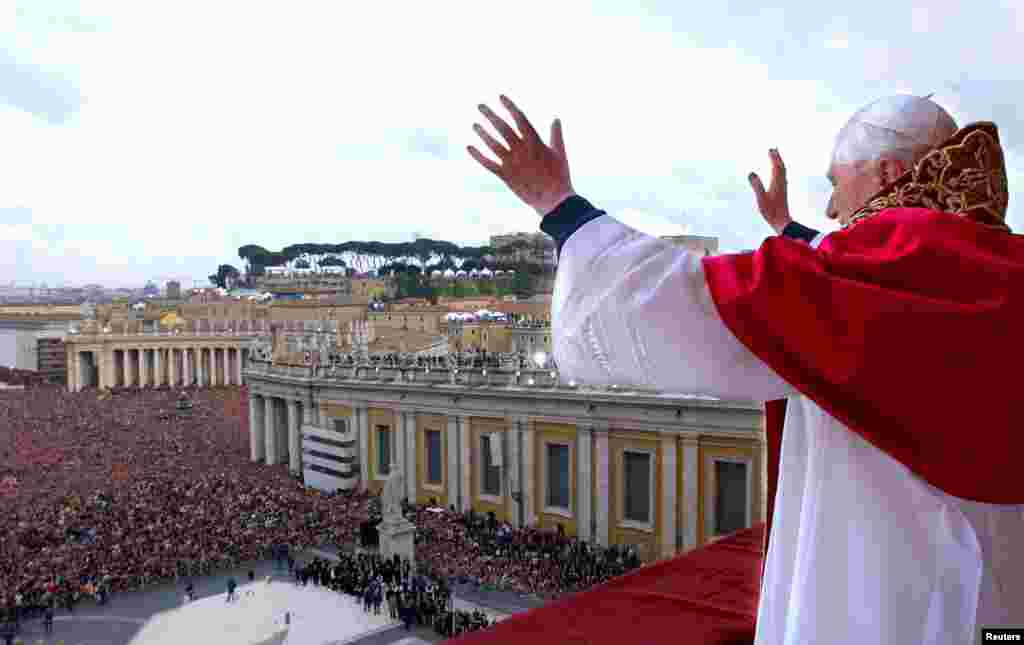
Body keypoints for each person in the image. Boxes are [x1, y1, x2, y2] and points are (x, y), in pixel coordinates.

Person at [468, 94, 1024, 644]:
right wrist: (787, 228)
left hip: (895, 603)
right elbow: (850, 275)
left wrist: (559, 207)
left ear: (887, 173)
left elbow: (684, 306)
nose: (831, 209)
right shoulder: (1000, 267)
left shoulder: (864, 280)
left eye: (835, 182)